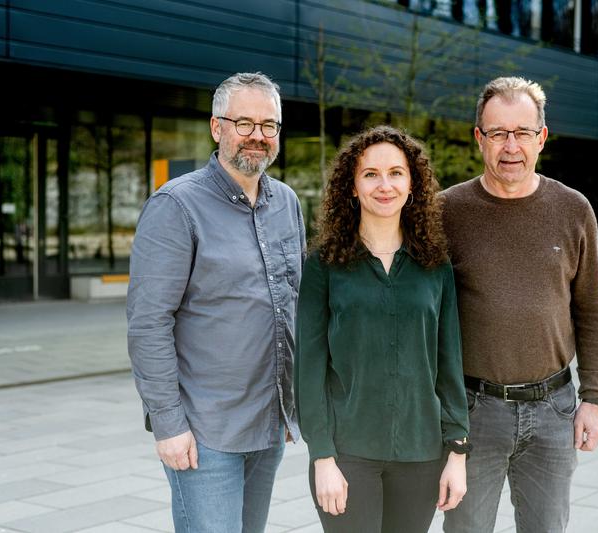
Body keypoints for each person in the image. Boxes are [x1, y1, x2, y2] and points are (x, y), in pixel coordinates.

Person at [126, 72, 305, 533]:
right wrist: (168, 426)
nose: (258, 136)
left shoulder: (287, 202)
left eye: (269, 125)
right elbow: (148, 323)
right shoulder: (175, 206)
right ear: (216, 127)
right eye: (243, 123)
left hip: (268, 426)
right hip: (205, 433)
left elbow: (292, 305)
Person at [441, 76, 598, 533]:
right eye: (497, 132)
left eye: (521, 133)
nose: (510, 145)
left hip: (554, 408)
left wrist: (593, 397)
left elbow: (591, 310)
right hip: (473, 412)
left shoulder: (574, 209)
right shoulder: (446, 212)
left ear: (542, 137)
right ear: (479, 138)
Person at [296, 125, 471, 533]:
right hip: (347, 455)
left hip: (421, 452)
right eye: (370, 174)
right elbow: (309, 366)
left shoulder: (435, 264)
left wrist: (457, 452)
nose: (384, 185)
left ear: (413, 185)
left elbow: (449, 362)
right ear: (352, 187)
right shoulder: (324, 264)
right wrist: (322, 458)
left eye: (396, 173)